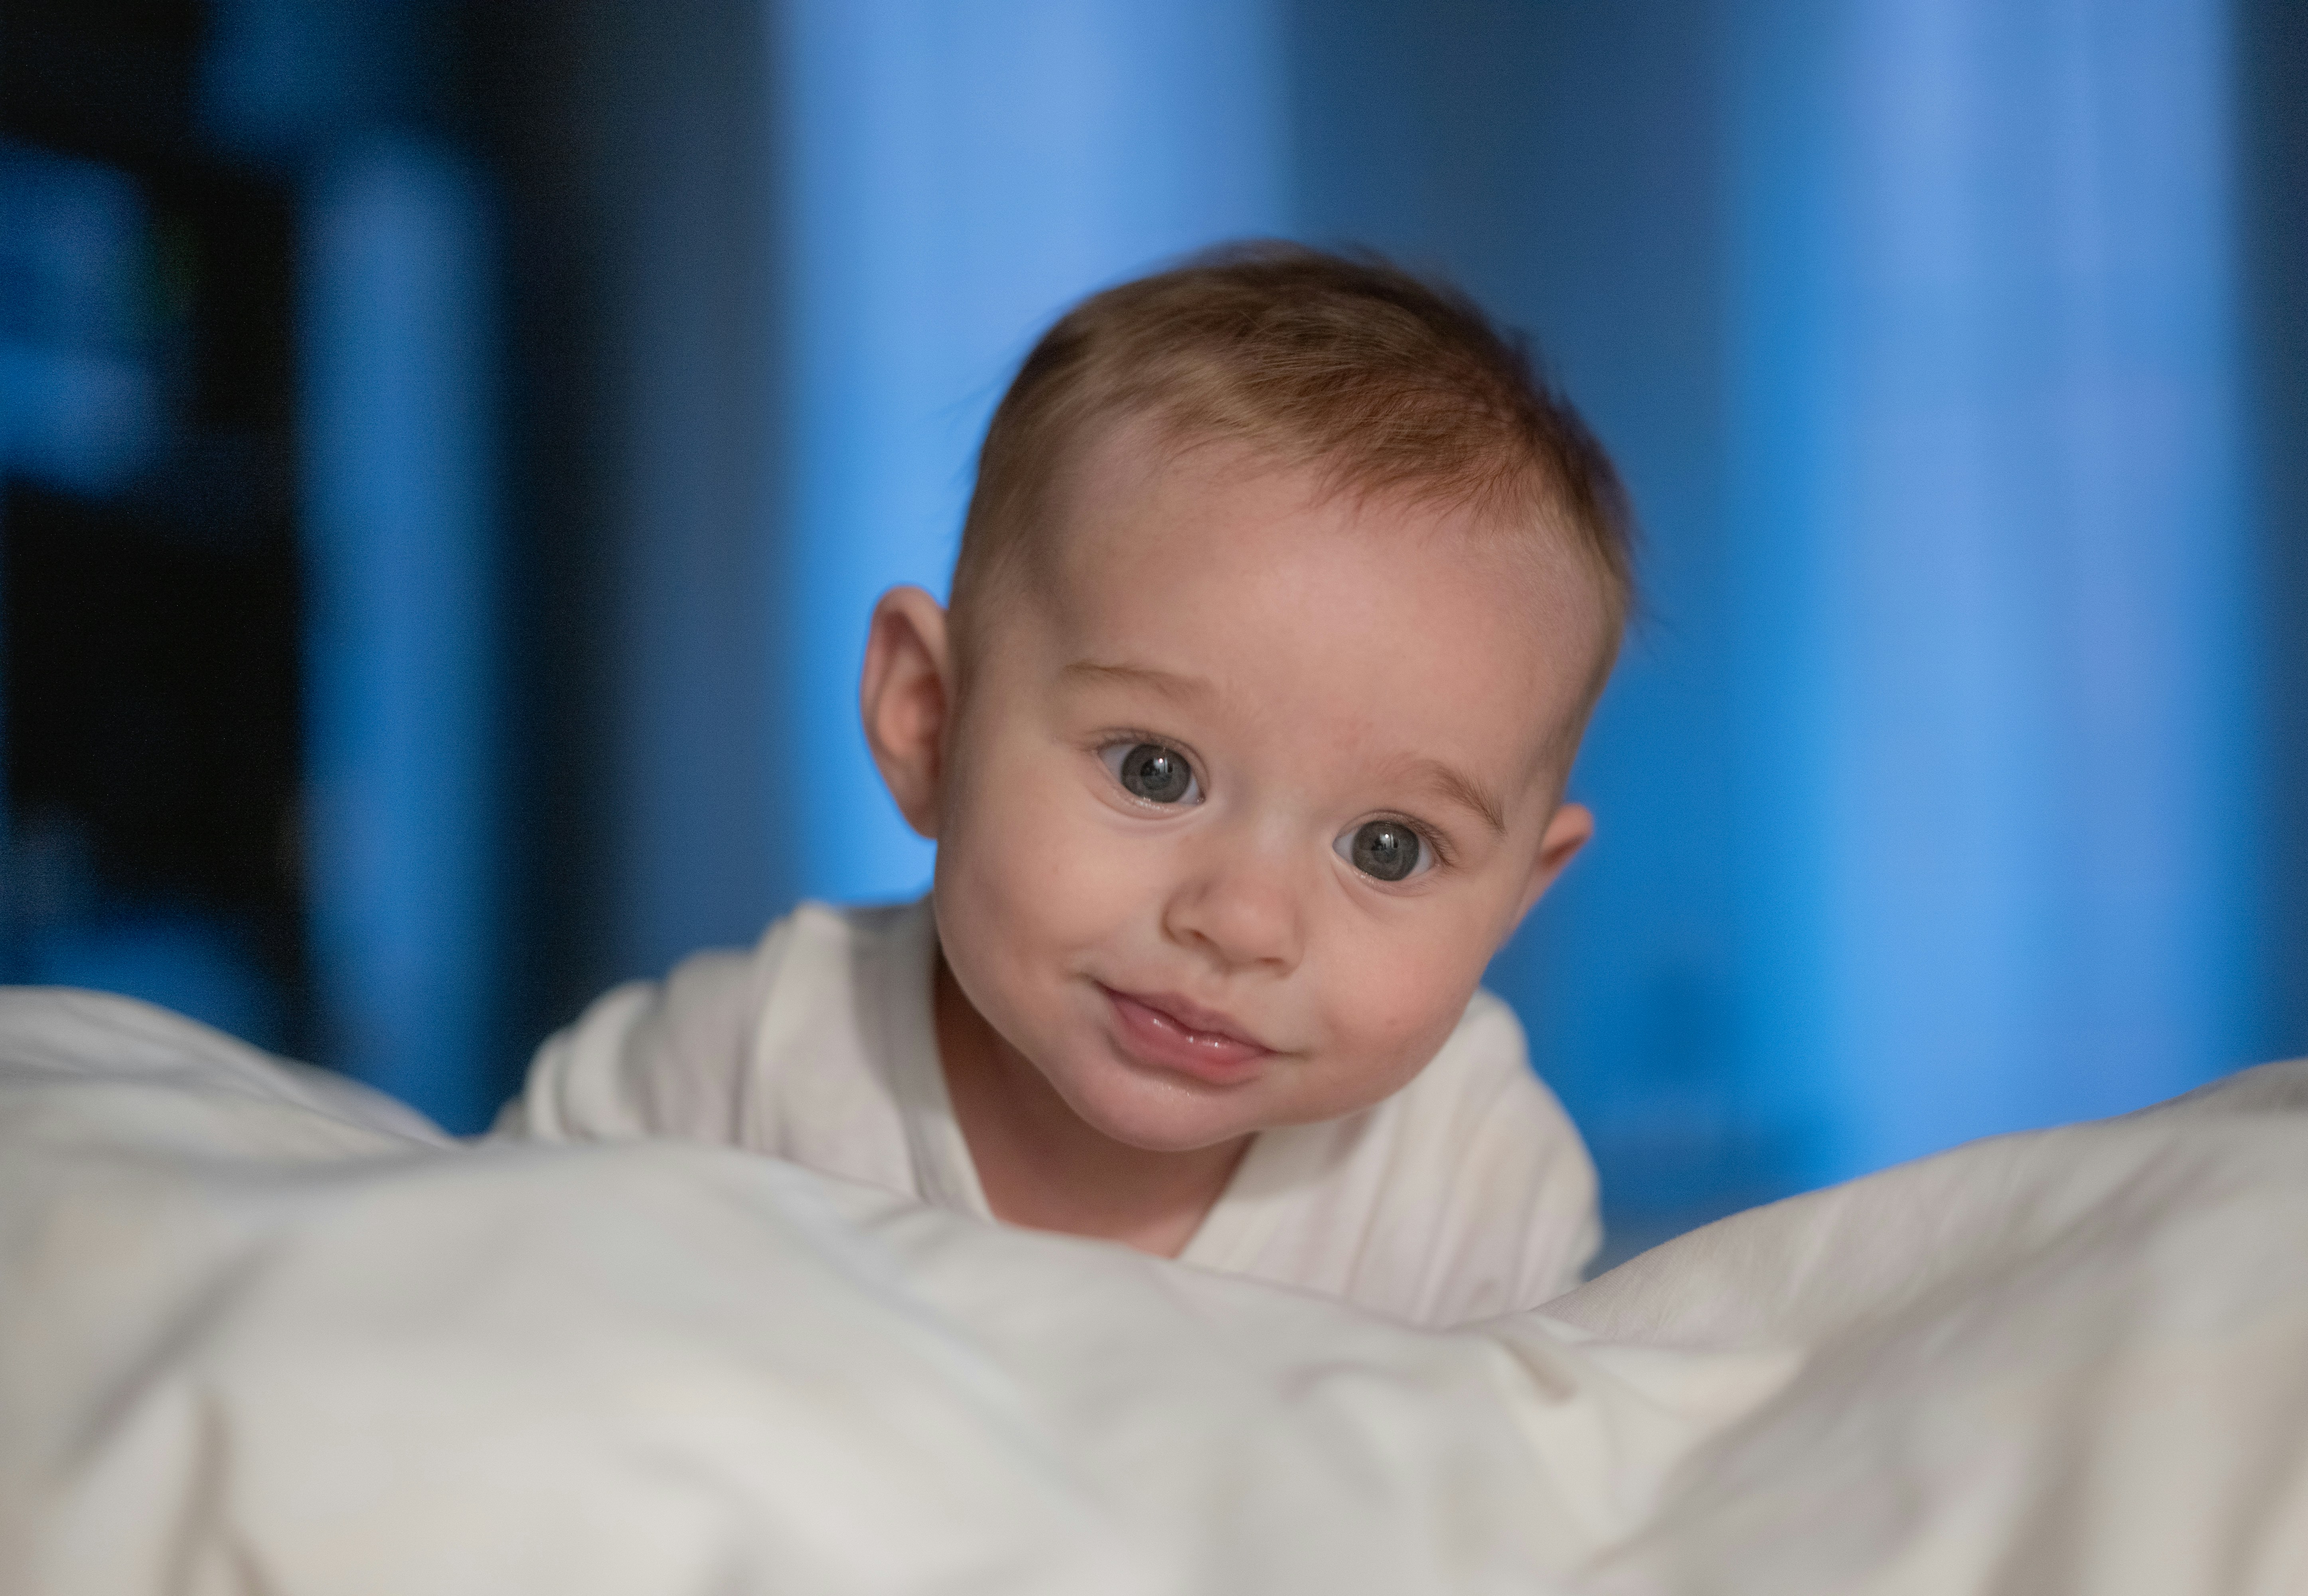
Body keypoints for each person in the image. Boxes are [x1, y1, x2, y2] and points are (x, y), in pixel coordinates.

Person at [498, 245, 1637, 1326]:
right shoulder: (749, 1066)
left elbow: (1521, 1515)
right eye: (1156, 771)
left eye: (1388, 847)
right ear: (930, 723)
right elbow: (464, 1304)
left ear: (1516, 899)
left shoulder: (1471, 1180)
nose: (1242, 923)